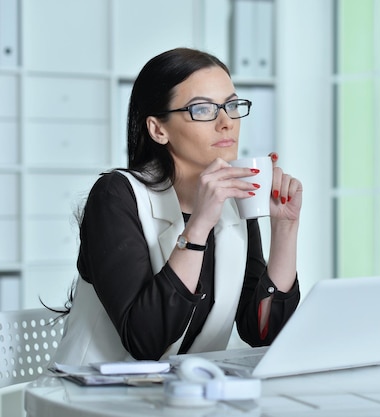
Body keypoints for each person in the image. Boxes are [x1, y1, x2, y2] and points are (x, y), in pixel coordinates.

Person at [51, 47, 302, 366]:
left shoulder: (234, 199)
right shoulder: (116, 196)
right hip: (91, 399)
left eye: (231, 105)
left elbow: (262, 333)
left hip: (181, 397)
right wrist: (198, 226)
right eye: (202, 109)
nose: (226, 122)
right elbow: (146, 340)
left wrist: (285, 228)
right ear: (158, 129)